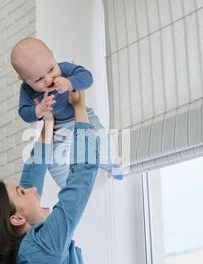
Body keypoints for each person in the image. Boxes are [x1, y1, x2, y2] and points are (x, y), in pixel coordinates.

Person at [0, 91, 99, 264]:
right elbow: (83, 173)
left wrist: (48, 123)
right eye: (21, 192)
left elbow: (32, 175)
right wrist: (80, 108)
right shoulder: (44, 247)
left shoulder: (18, 258)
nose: (31, 190)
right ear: (16, 218)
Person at [10, 36, 122, 188]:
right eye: (39, 79)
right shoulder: (26, 90)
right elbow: (24, 113)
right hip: (58, 127)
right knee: (54, 161)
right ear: (23, 79)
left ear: (52, 54)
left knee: (102, 140)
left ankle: (110, 165)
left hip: (84, 116)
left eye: (51, 69)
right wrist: (39, 109)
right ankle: (69, 187)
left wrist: (69, 83)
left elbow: (87, 77)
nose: (49, 79)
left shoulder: (63, 69)